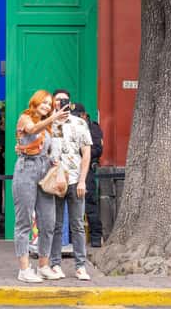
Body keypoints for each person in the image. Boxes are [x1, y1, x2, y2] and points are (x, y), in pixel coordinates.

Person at [12, 90, 67, 283]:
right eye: (43, 102)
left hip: (45, 171)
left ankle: (43, 266)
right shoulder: (25, 117)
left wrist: (55, 160)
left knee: (48, 222)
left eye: (49, 104)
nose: (46, 106)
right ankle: (24, 269)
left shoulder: (51, 124)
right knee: (24, 221)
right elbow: (32, 129)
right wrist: (53, 117)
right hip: (26, 169)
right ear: (35, 102)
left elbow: (54, 148)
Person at [48, 92, 93, 281]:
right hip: (55, 182)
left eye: (64, 100)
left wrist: (82, 180)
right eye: (58, 100)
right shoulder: (49, 123)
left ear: (70, 103)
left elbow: (86, 153)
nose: (61, 103)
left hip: (75, 180)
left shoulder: (79, 123)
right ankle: (55, 264)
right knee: (56, 225)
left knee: (77, 225)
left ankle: (80, 266)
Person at [72, 102, 104, 247]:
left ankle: (96, 236)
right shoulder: (69, 126)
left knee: (90, 204)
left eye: (78, 116)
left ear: (84, 115)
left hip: (87, 169)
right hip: (71, 169)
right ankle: (70, 238)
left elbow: (98, 149)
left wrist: (82, 153)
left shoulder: (92, 128)